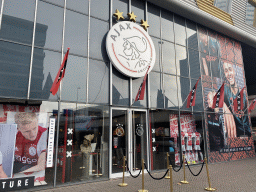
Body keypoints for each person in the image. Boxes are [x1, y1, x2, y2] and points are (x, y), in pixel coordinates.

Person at [13, 112, 47, 180]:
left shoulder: (44, 134)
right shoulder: (12, 133)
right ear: (18, 128)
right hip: (17, 165)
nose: (33, 134)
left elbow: (41, 166)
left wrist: (15, 176)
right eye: (27, 131)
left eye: (34, 128)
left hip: (33, 171)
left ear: (37, 122)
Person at [222, 62, 251, 138]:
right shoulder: (225, 90)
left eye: (230, 70)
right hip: (235, 134)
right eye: (226, 71)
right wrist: (224, 106)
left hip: (247, 132)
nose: (229, 73)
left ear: (234, 72)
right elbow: (213, 95)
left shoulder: (243, 93)